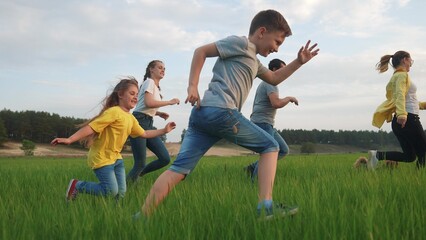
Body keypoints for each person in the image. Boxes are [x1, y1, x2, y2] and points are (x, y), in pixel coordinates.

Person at [135, 9, 319, 220]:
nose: (276, 49)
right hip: (222, 112)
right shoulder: (241, 43)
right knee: (271, 146)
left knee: (178, 169)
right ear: (261, 32)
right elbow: (200, 51)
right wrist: (192, 86)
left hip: (202, 116)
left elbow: (274, 78)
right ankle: (265, 207)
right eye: (277, 42)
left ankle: (142, 216)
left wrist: (299, 62)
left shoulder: (255, 62)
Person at [51, 77, 176, 201]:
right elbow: (92, 127)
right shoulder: (113, 112)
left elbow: (144, 133)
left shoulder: (131, 118)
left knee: (121, 192)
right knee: (111, 191)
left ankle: (116, 214)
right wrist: (70, 139)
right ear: (121, 94)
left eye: (137, 95)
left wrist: (164, 131)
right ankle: (77, 186)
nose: (135, 97)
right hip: (102, 158)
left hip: (116, 158)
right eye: (131, 93)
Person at [367, 50, 426, 169]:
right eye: (410, 61)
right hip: (408, 120)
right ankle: (418, 181)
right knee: (423, 154)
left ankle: (377, 155)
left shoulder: (397, 76)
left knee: (410, 156)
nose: (411, 64)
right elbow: (400, 94)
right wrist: (402, 115)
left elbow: (406, 100)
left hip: (401, 121)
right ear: (405, 60)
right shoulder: (402, 75)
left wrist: (423, 105)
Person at [244, 58, 298, 181]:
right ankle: (255, 183)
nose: (285, 72)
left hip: (266, 123)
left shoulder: (267, 83)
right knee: (268, 153)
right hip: (262, 123)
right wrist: (289, 98)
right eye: (283, 69)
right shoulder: (270, 83)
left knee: (283, 150)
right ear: (274, 70)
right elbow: (276, 103)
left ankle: (252, 168)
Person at [127, 60, 180, 183]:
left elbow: (143, 105)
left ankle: (138, 175)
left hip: (148, 122)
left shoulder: (154, 87)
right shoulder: (149, 82)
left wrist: (158, 113)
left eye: (164, 69)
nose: (163, 70)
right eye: (160, 68)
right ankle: (122, 193)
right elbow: (148, 103)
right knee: (140, 163)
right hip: (139, 122)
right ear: (151, 69)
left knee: (165, 158)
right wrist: (169, 102)